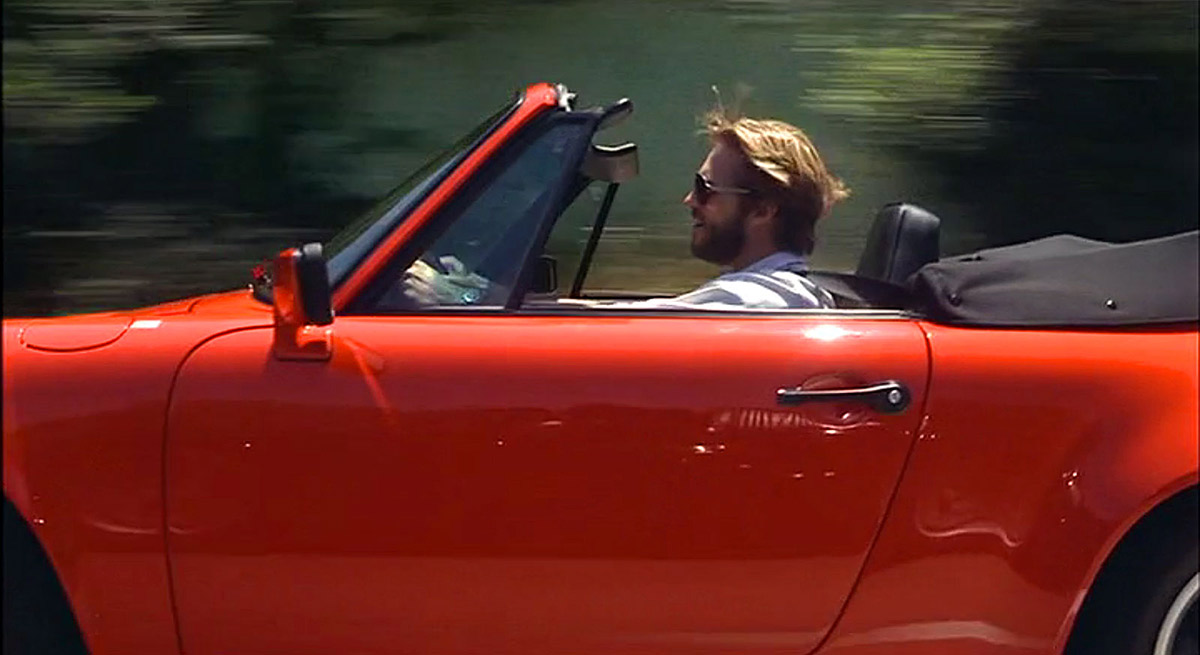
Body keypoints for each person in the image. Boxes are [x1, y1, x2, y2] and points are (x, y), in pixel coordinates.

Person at [399, 109, 849, 310]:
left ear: (764, 210)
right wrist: (479, 292)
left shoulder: (757, 301)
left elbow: (628, 331)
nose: (690, 200)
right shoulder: (763, 293)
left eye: (706, 189)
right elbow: (635, 315)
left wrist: (463, 299)